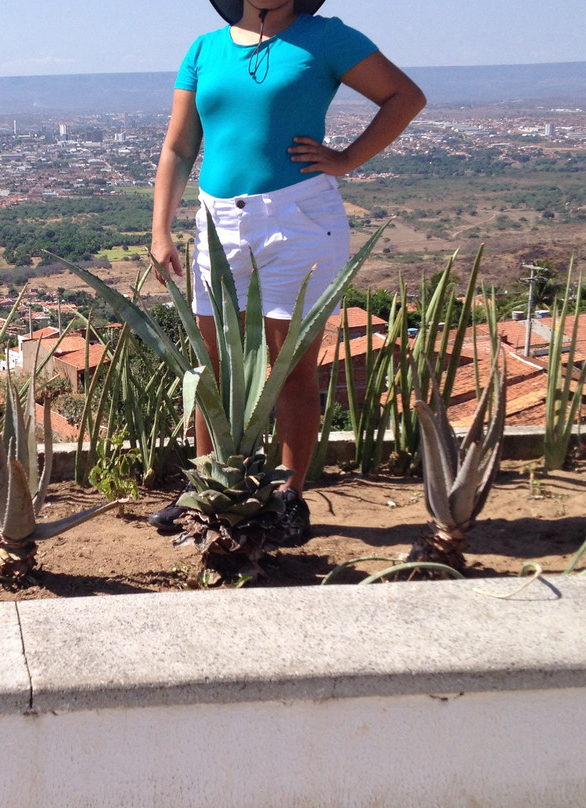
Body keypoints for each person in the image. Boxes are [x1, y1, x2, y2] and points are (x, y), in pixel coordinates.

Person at [147, 0, 426, 540]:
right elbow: (180, 147)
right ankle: (206, 488)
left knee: (291, 366)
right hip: (218, 224)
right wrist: (161, 229)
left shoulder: (325, 37)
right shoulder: (204, 49)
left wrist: (346, 158)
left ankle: (290, 497)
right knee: (213, 369)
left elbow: (404, 97)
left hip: (298, 220)